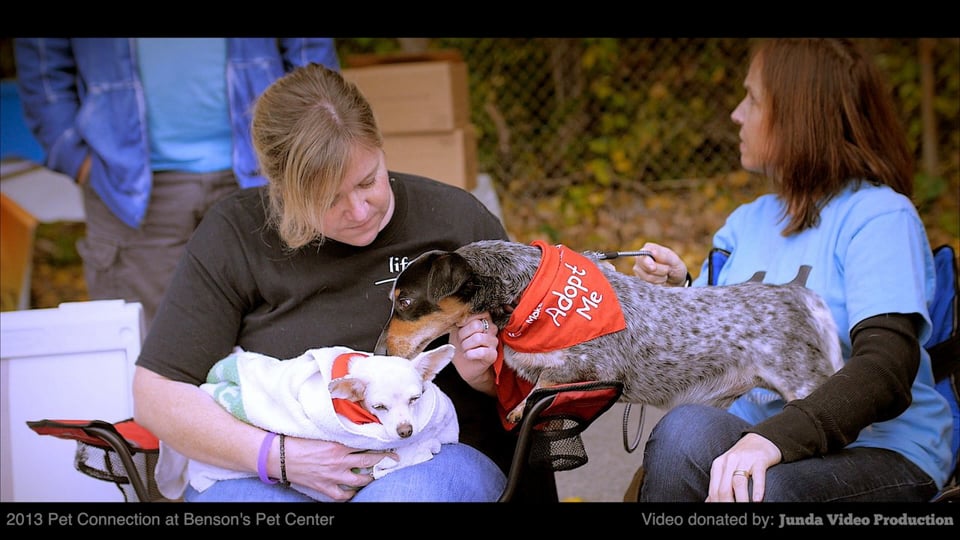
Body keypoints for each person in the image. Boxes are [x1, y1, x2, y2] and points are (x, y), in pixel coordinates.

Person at [132, 62, 557, 502]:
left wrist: (485, 377)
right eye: (329, 199)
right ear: (280, 191)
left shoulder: (454, 222)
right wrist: (278, 457)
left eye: (367, 180)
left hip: (432, 456)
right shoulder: (236, 233)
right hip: (275, 466)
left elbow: (545, 380)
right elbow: (157, 394)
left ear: (380, 145)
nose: (359, 210)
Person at [632, 38, 953, 502]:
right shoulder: (744, 224)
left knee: (764, 491)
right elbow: (703, 362)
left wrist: (774, 441)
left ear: (800, 118)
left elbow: (886, 368)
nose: (736, 115)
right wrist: (678, 294)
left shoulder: (878, 217)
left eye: (753, 99)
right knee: (683, 431)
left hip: (883, 451)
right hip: (755, 442)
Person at [13, 38, 340, 328]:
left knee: (283, 340)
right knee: (143, 351)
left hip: (264, 171)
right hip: (126, 188)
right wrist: (74, 156)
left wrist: (306, 143)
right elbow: (42, 61)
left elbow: (309, 48)